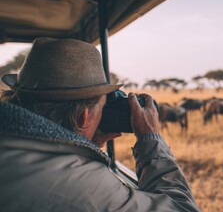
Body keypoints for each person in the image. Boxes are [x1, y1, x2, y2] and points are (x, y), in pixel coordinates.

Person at [0, 38, 199, 211]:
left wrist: (83, 141)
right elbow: (181, 208)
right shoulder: (79, 181)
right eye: (104, 104)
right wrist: (150, 137)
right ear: (83, 117)